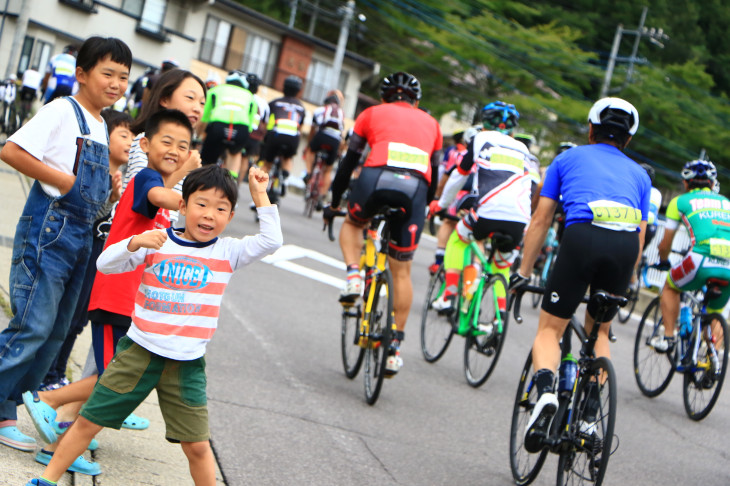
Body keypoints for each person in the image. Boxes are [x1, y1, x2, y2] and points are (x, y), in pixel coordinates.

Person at [25, 164, 283, 486]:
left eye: (221, 209)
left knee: (198, 446)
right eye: (201, 204)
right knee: (88, 422)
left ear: (230, 218)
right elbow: (105, 264)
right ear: (183, 206)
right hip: (138, 352)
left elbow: (272, 240)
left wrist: (260, 194)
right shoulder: (158, 242)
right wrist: (135, 242)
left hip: (186, 364)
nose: (209, 215)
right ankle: (45, 480)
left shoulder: (228, 252)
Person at [23, 109, 202, 475]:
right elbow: (160, 196)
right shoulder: (146, 180)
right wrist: (196, 193)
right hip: (114, 294)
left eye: (183, 146)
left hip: (131, 299)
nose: (175, 150)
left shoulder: (164, 185)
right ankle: (46, 398)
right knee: (111, 378)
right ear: (146, 144)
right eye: (167, 142)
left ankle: (57, 447)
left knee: (114, 379)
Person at [0, 36, 131, 452]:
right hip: (49, 230)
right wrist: (65, 181)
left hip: (79, 240)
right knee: (32, 327)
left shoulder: (100, 122)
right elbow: (11, 150)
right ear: (81, 74)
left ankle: (5, 413)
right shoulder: (63, 110)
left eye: (123, 77)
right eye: (107, 73)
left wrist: (106, 192)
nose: (115, 83)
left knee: (55, 335)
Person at [509, 97, 649, 453]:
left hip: (582, 237)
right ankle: (588, 415)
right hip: (623, 248)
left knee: (550, 329)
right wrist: (626, 282)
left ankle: (544, 394)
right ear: (628, 140)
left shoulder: (566, 159)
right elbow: (641, 236)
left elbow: (541, 220)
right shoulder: (640, 175)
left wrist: (524, 272)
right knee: (600, 330)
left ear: (590, 130)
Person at [323, 71, 442, 375]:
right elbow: (436, 173)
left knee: (353, 224)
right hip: (415, 188)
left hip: (375, 178)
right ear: (416, 101)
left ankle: (353, 276)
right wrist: (424, 207)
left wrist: (335, 202)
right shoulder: (433, 124)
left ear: (385, 97)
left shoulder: (371, 113)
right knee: (401, 271)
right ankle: (393, 349)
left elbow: (349, 162)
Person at [39, 109, 131, 393]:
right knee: (69, 318)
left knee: (77, 320)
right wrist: (112, 197)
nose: (130, 142)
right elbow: (90, 216)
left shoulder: (117, 175)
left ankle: (55, 373)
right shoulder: (98, 172)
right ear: (106, 136)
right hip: (84, 249)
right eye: (124, 135)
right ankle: (50, 374)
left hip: (97, 254)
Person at [429, 101, 535, 327]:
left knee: (458, 239)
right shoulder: (523, 149)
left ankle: (448, 295)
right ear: (512, 129)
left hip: (487, 211)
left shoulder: (479, 139)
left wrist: (442, 203)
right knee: (502, 266)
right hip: (520, 218)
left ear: (483, 124)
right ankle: (500, 314)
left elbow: (460, 174)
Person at [650, 160, 730, 353]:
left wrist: (663, 261)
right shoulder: (727, 202)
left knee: (670, 286)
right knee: (715, 312)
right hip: (728, 264)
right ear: (712, 184)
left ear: (686, 183)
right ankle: (712, 363)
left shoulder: (680, 202)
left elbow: (666, 242)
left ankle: (668, 337)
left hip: (701, 258)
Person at [125, 68, 206, 226]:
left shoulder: (186, 153)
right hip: (131, 235)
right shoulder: (145, 141)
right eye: (190, 98)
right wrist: (185, 168)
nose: (197, 108)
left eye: (202, 103)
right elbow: (143, 194)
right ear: (164, 99)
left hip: (160, 234)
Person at [428, 125, 480, 275]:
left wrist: (438, 198)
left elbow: (447, 177)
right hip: (480, 199)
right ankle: (476, 269)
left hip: (459, 195)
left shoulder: (460, 154)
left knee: (448, 222)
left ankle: (439, 261)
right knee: (477, 234)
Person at [200, 70, 257, 179]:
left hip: (218, 126)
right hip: (241, 129)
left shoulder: (215, 90)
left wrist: (199, 135)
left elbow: (204, 117)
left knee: (207, 159)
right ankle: (232, 181)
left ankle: (203, 176)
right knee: (235, 153)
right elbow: (250, 124)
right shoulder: (250, 96)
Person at [259, 74, 306, 196]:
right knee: (288, 158)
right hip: (292, 137)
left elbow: (265, 123)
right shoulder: (301, 107)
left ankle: (259, 191)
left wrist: (265, 137)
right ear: (298, 91)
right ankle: (284, 179)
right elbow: (300, 126)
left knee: (267, 164)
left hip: (276, 135)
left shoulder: (274, 103)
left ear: (284, 87)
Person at [303, 89, 345, 204]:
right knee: (328, 170)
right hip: (335, 140)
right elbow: (341, 134)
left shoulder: (320, 110)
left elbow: (313, 129)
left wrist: (309, 143)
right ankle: (322, 196)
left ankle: (308, 172)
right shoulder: (341, 113)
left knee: (310, 151)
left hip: (322, 135)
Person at [241, 72, 269, 181]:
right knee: (245, 159)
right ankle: (237, 185)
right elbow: (265, 122)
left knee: (233, 155)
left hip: (240, 131)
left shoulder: (242, 96)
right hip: (254, 137)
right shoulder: (263, 102)